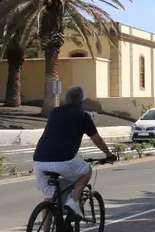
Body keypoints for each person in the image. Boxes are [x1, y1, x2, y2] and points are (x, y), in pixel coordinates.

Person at [32, 85, 115, 217]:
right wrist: (109, 155)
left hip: (39, 161)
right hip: (62, 161)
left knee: (49, 197)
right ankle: (74, 201)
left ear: (65, 100)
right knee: (86, 170)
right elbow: (97, 140)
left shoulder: (54, 112)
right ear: (81, 102)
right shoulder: (83, 116)